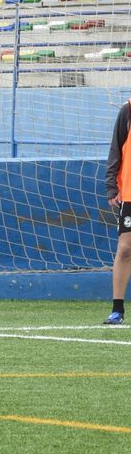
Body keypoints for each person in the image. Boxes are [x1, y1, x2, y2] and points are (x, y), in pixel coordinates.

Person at [104, 97, 130, 325]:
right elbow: (116, 149)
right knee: (125, 249)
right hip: (130, 193)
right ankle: (117, 309)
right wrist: (111, 185)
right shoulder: (128, 110)